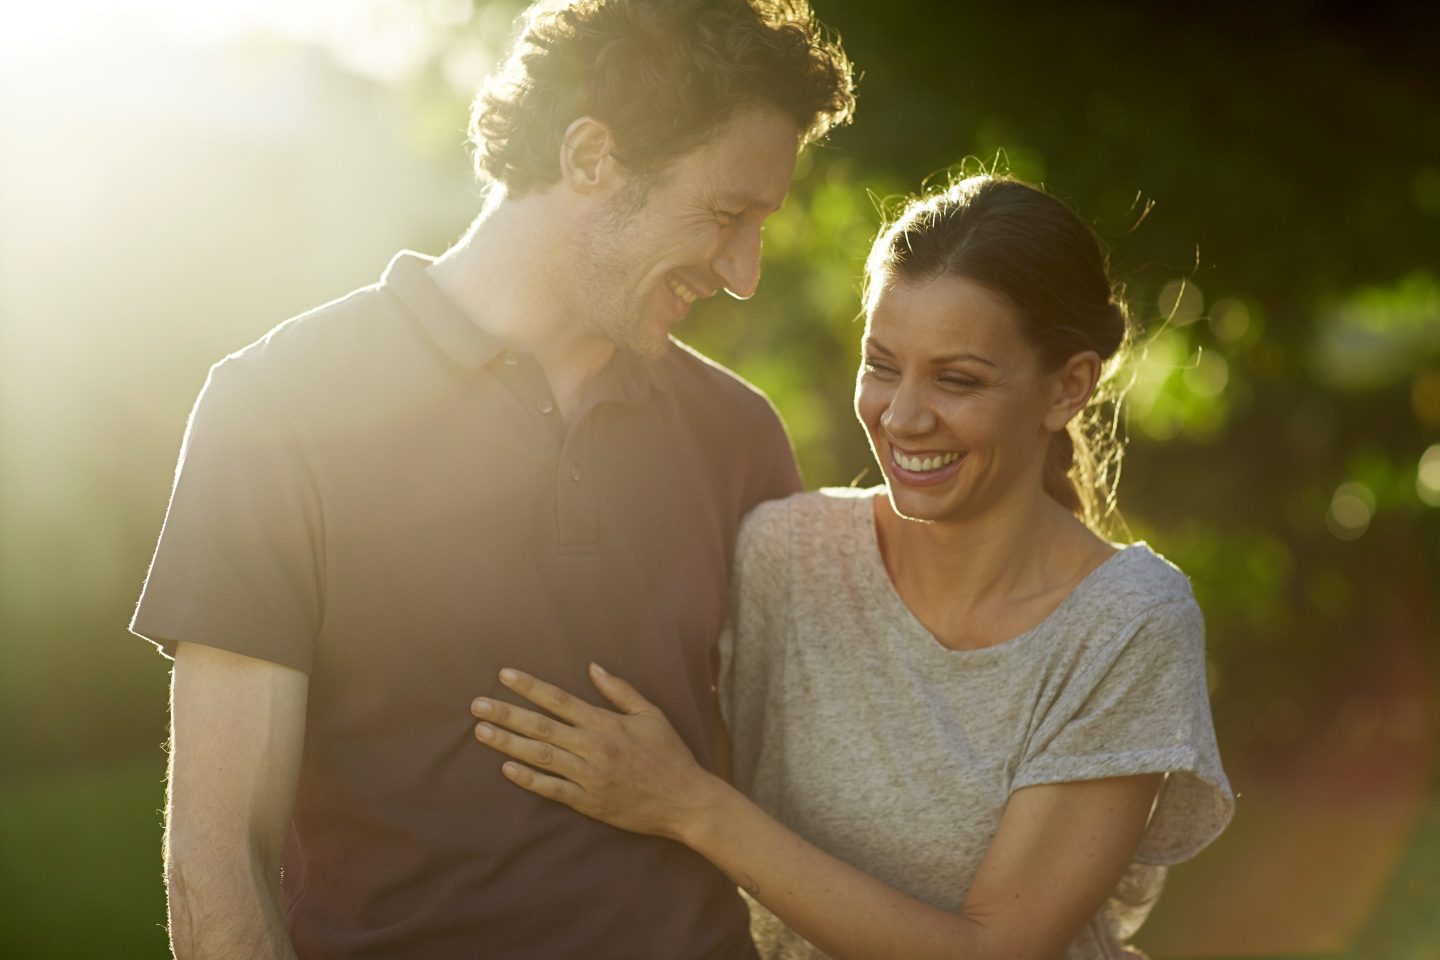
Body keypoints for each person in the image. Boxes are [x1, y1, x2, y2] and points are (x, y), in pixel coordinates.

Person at [128, 1, 854, 957]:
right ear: (591, 156)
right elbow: (216, 866)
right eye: (727, 215)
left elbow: (799, 793)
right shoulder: (275, 411)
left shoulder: (738, 435)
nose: (746, 270)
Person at [468, 174, 1235, 959]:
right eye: (882, 366)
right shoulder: (783, 556)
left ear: (1068, 387)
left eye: (957, 379)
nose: (902, 416)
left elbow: (995, 951)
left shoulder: (1129, 620)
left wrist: (691, 806)